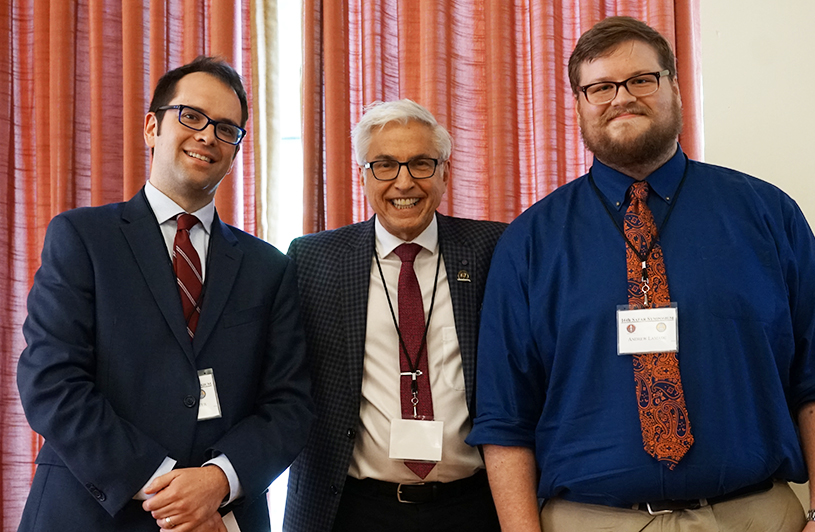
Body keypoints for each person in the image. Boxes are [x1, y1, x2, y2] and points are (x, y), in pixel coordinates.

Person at [467, 16, 815, 532]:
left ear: (675, 86)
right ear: (578, 103)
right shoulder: (528, 243)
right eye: (600, 87)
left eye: (641, 79)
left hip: (754, 517)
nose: (622, 97)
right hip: (588, 521)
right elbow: (505, 417)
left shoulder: (769, 215)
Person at [17, 56, 314, 532]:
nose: (207, 136)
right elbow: (51, 382)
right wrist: (170, 487)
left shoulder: (269, 267)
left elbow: (289, 404)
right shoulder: (82, 238)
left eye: (226, 129)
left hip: (221, 517)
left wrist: (218, 481)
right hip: (91, 512)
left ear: (236, 151)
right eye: (192, 117)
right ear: (152, 127)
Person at [283, 99, 506, 532]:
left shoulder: (491, 250)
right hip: (354, 508)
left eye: (421, 163)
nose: (404, 182)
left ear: (444, 171)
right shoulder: (313, 260)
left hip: (473, 505)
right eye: (384, 165)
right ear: (363, 175)